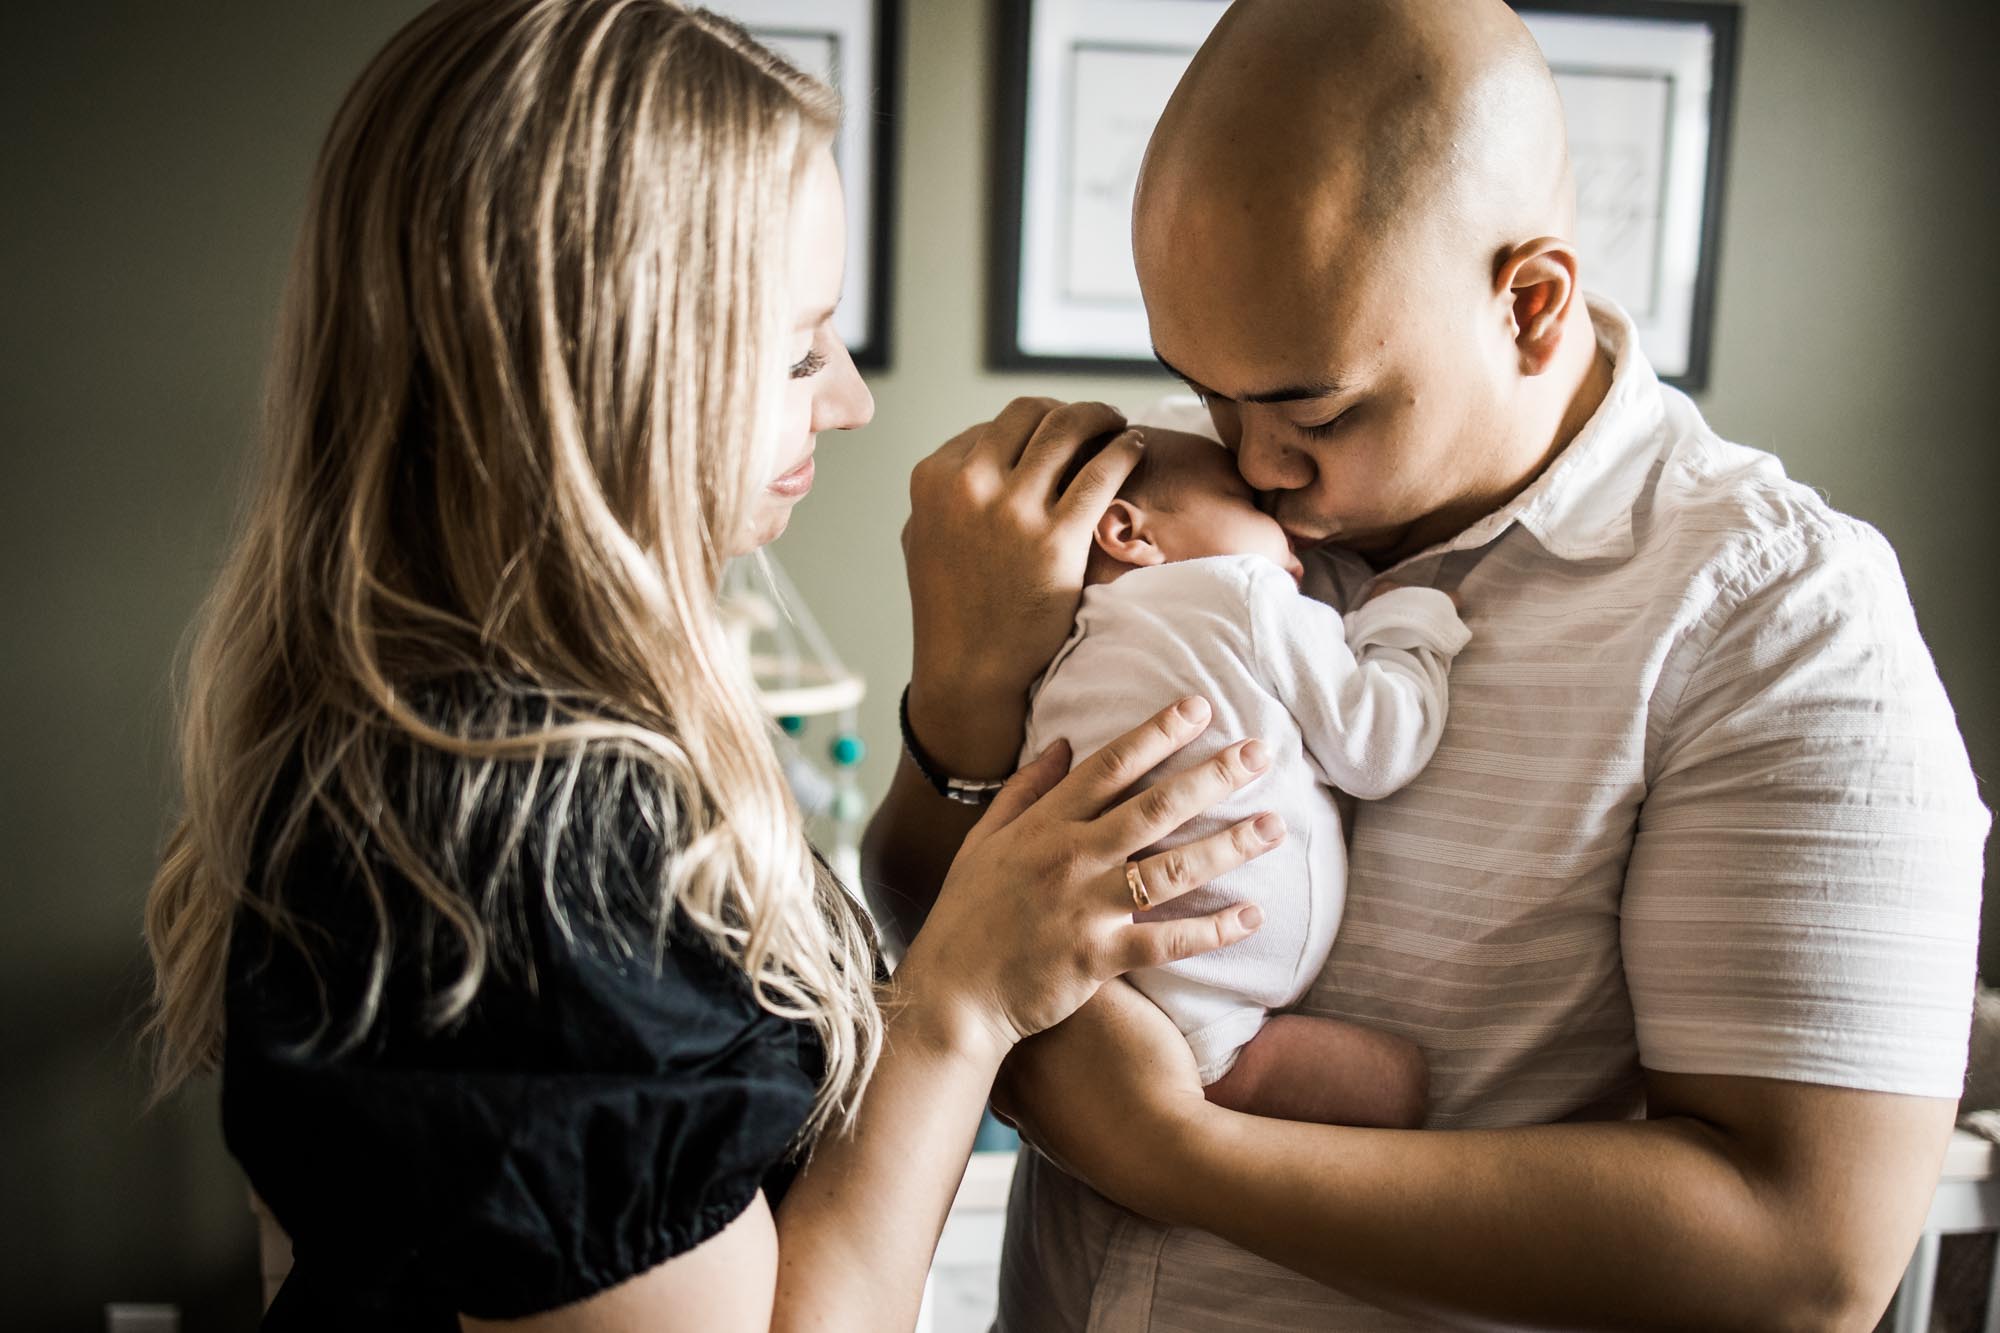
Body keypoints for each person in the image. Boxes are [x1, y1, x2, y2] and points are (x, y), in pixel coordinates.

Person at [139, 4, 1282, 1329]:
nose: (849, 400)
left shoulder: (530, 722)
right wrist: (960, 1003)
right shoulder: (528, 845)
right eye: (797, 349)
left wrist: (968, 712)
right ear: (602, 369)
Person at [864, 0, 1991, 1327]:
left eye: (1315, 408)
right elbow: (928, 906)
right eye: (1206, 387)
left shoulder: (1778, 617)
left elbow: (1804, 1260)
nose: (1253, 460)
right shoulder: (1177, 493)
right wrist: (960, 699)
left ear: (1529, 304)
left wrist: (1178, 1151)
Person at [1020, 426, 1468, 1123]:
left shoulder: (1060, 658)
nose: (1288, 535)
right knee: (1401, 1084)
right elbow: (1378, 748)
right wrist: (1407, 625)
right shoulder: (1241, 588)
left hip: (1099, 980)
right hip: (1207, 1000)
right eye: (1250, 504)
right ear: (1128, 532)